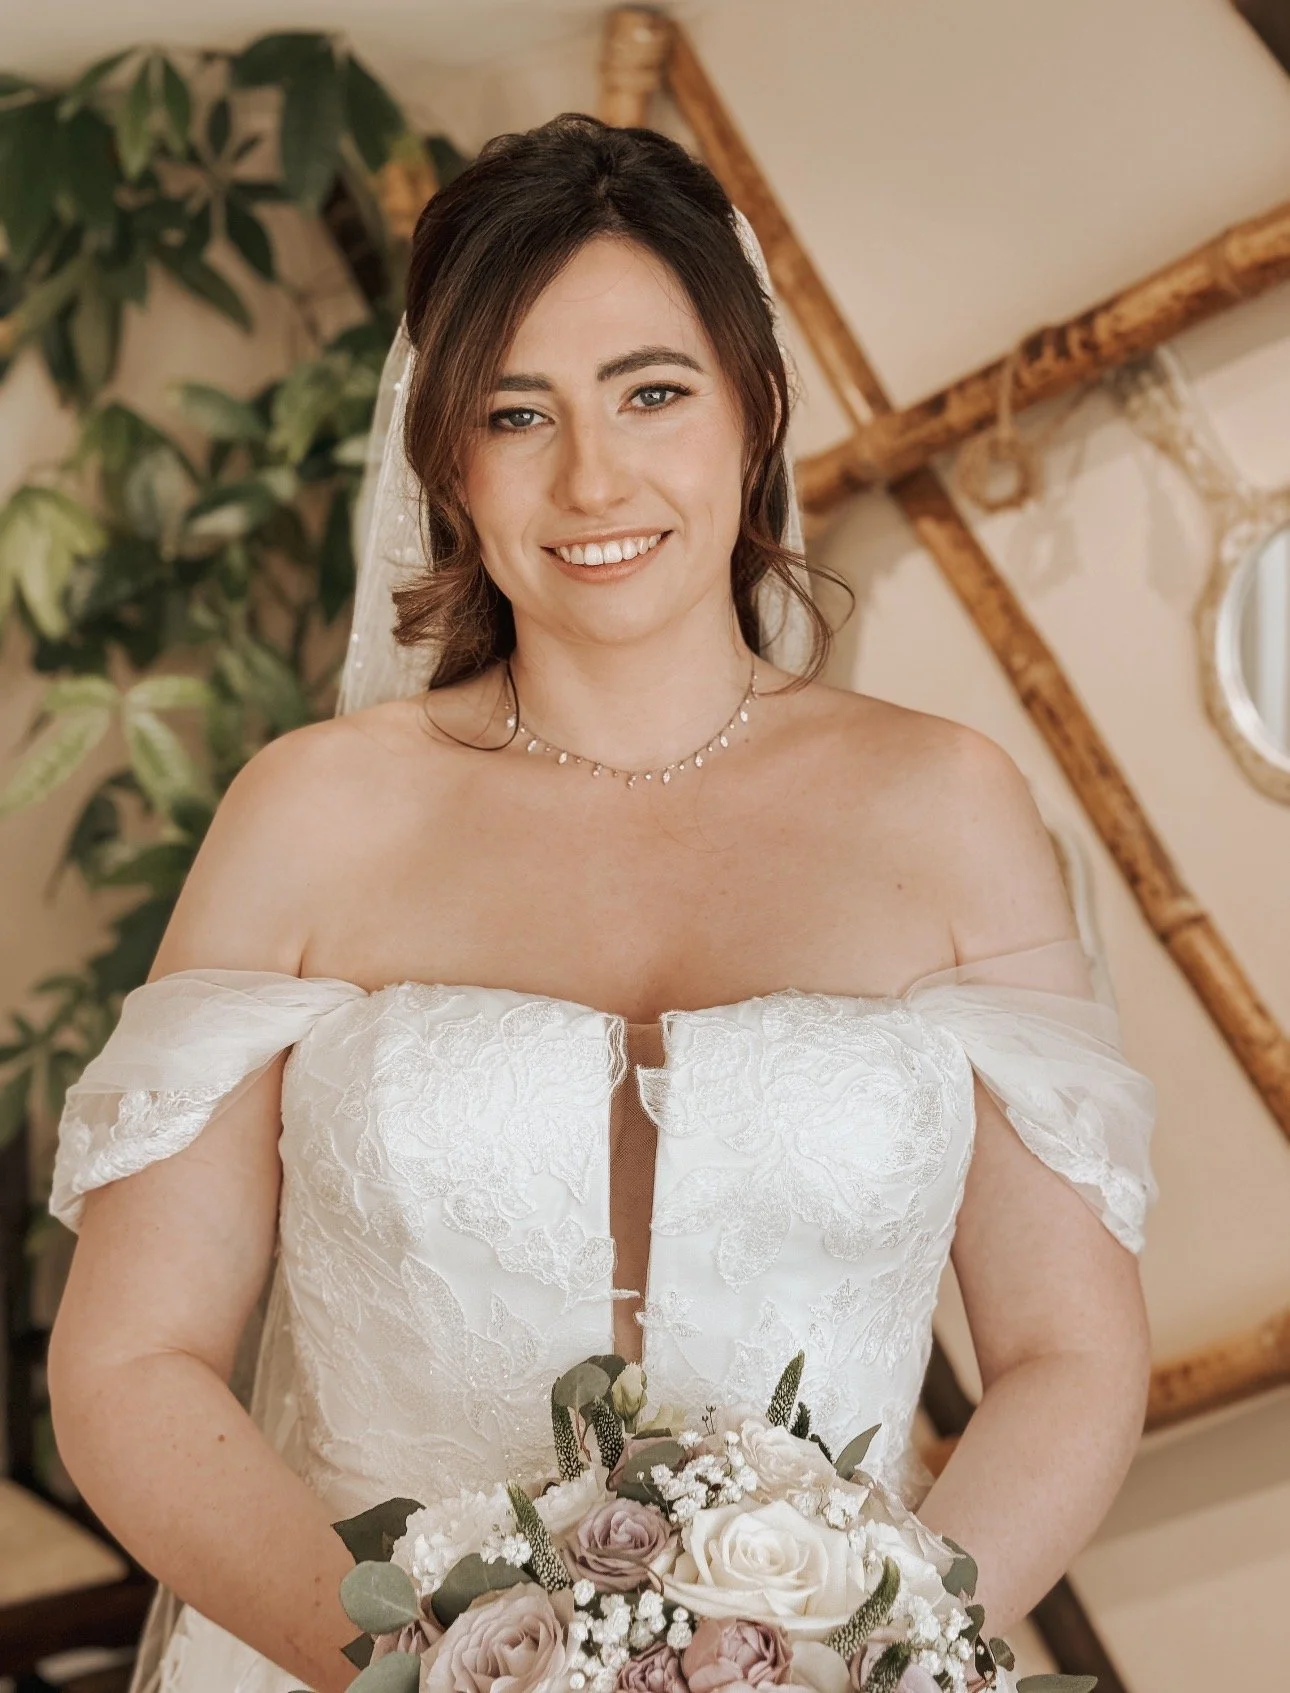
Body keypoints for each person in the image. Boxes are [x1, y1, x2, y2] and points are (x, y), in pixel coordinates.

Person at [44, 114, 1157, 1693]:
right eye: (516, 412)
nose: (592, 476)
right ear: (445, 455)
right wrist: (417, 1675)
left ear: (753, 408)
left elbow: (1066, 1354)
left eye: (652, 391)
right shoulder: (309, 812)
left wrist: (882, 1654)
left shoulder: (948, 807)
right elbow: (130, 1363)